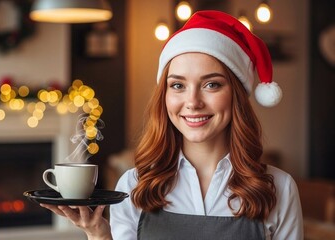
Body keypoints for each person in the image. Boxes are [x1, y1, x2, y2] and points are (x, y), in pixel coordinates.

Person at [40, 10, 303, 240]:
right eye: (178, 85)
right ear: (164, 96)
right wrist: (97, 234)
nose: (192, 102)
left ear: (237, 94)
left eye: (211, 84)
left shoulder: (278, 188)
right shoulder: (134, 185)